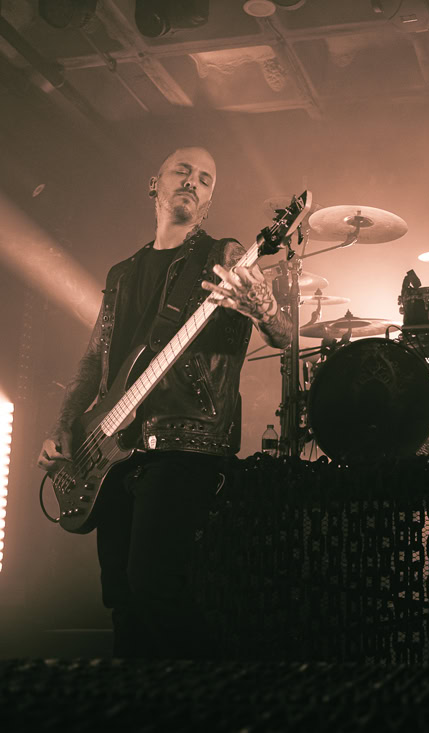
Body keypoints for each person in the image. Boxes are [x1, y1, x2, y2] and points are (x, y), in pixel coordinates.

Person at [36, 146, 294, 659]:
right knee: (121, 597)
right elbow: (94, 359)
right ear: (154, 183)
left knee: (154, 585)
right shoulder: (122, 274)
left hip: (185, 443)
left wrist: (263, 306)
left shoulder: (225, 255)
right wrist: (65, 424)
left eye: (205, 179)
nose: (193, 181)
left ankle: (215, 695)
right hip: (111, 447)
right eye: (183, 171)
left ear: (209, 201)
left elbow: (284, 334)